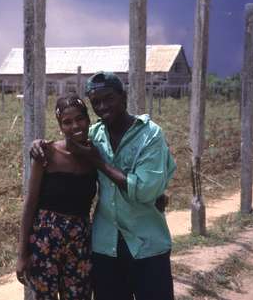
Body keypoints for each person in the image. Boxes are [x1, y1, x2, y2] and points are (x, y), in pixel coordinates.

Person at [31, 71, 176, 300]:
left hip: (146, 243)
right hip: (105, 245)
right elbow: (68, 138)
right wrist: (38, 144)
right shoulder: (95, 134)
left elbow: (146, 190)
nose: (102, 106)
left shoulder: (150, 135)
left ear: (123, 97)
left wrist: (99, 162)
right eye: (96, 102)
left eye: (109, 98)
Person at [17, 93, 97, 300]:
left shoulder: (95, 155)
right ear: (60, 127)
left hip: (80, 241)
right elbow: (30, 204)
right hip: (44, 241)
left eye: (80, 118)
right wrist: (22, 254)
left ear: (89, 120)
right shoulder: (47, 153)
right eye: (67, 122)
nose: (75, 126)